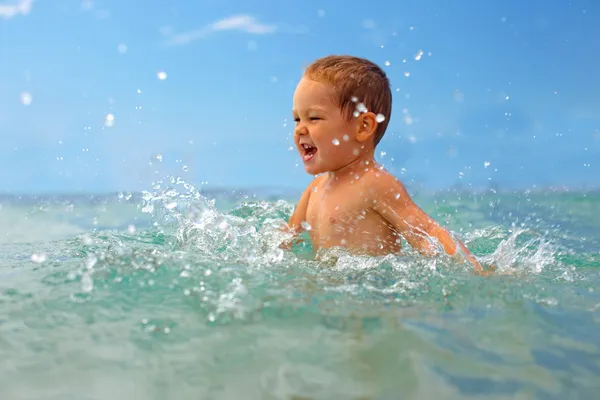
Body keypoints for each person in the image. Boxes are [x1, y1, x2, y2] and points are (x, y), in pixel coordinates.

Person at [282, 55, 493, 275]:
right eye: (297, 119)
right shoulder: (314, 189)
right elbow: (284, 241)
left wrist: (476, 272)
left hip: (376, 294)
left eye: (314, 118)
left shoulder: (375, 184)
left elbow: (427, 231)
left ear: (363, 126)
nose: (299, 129)